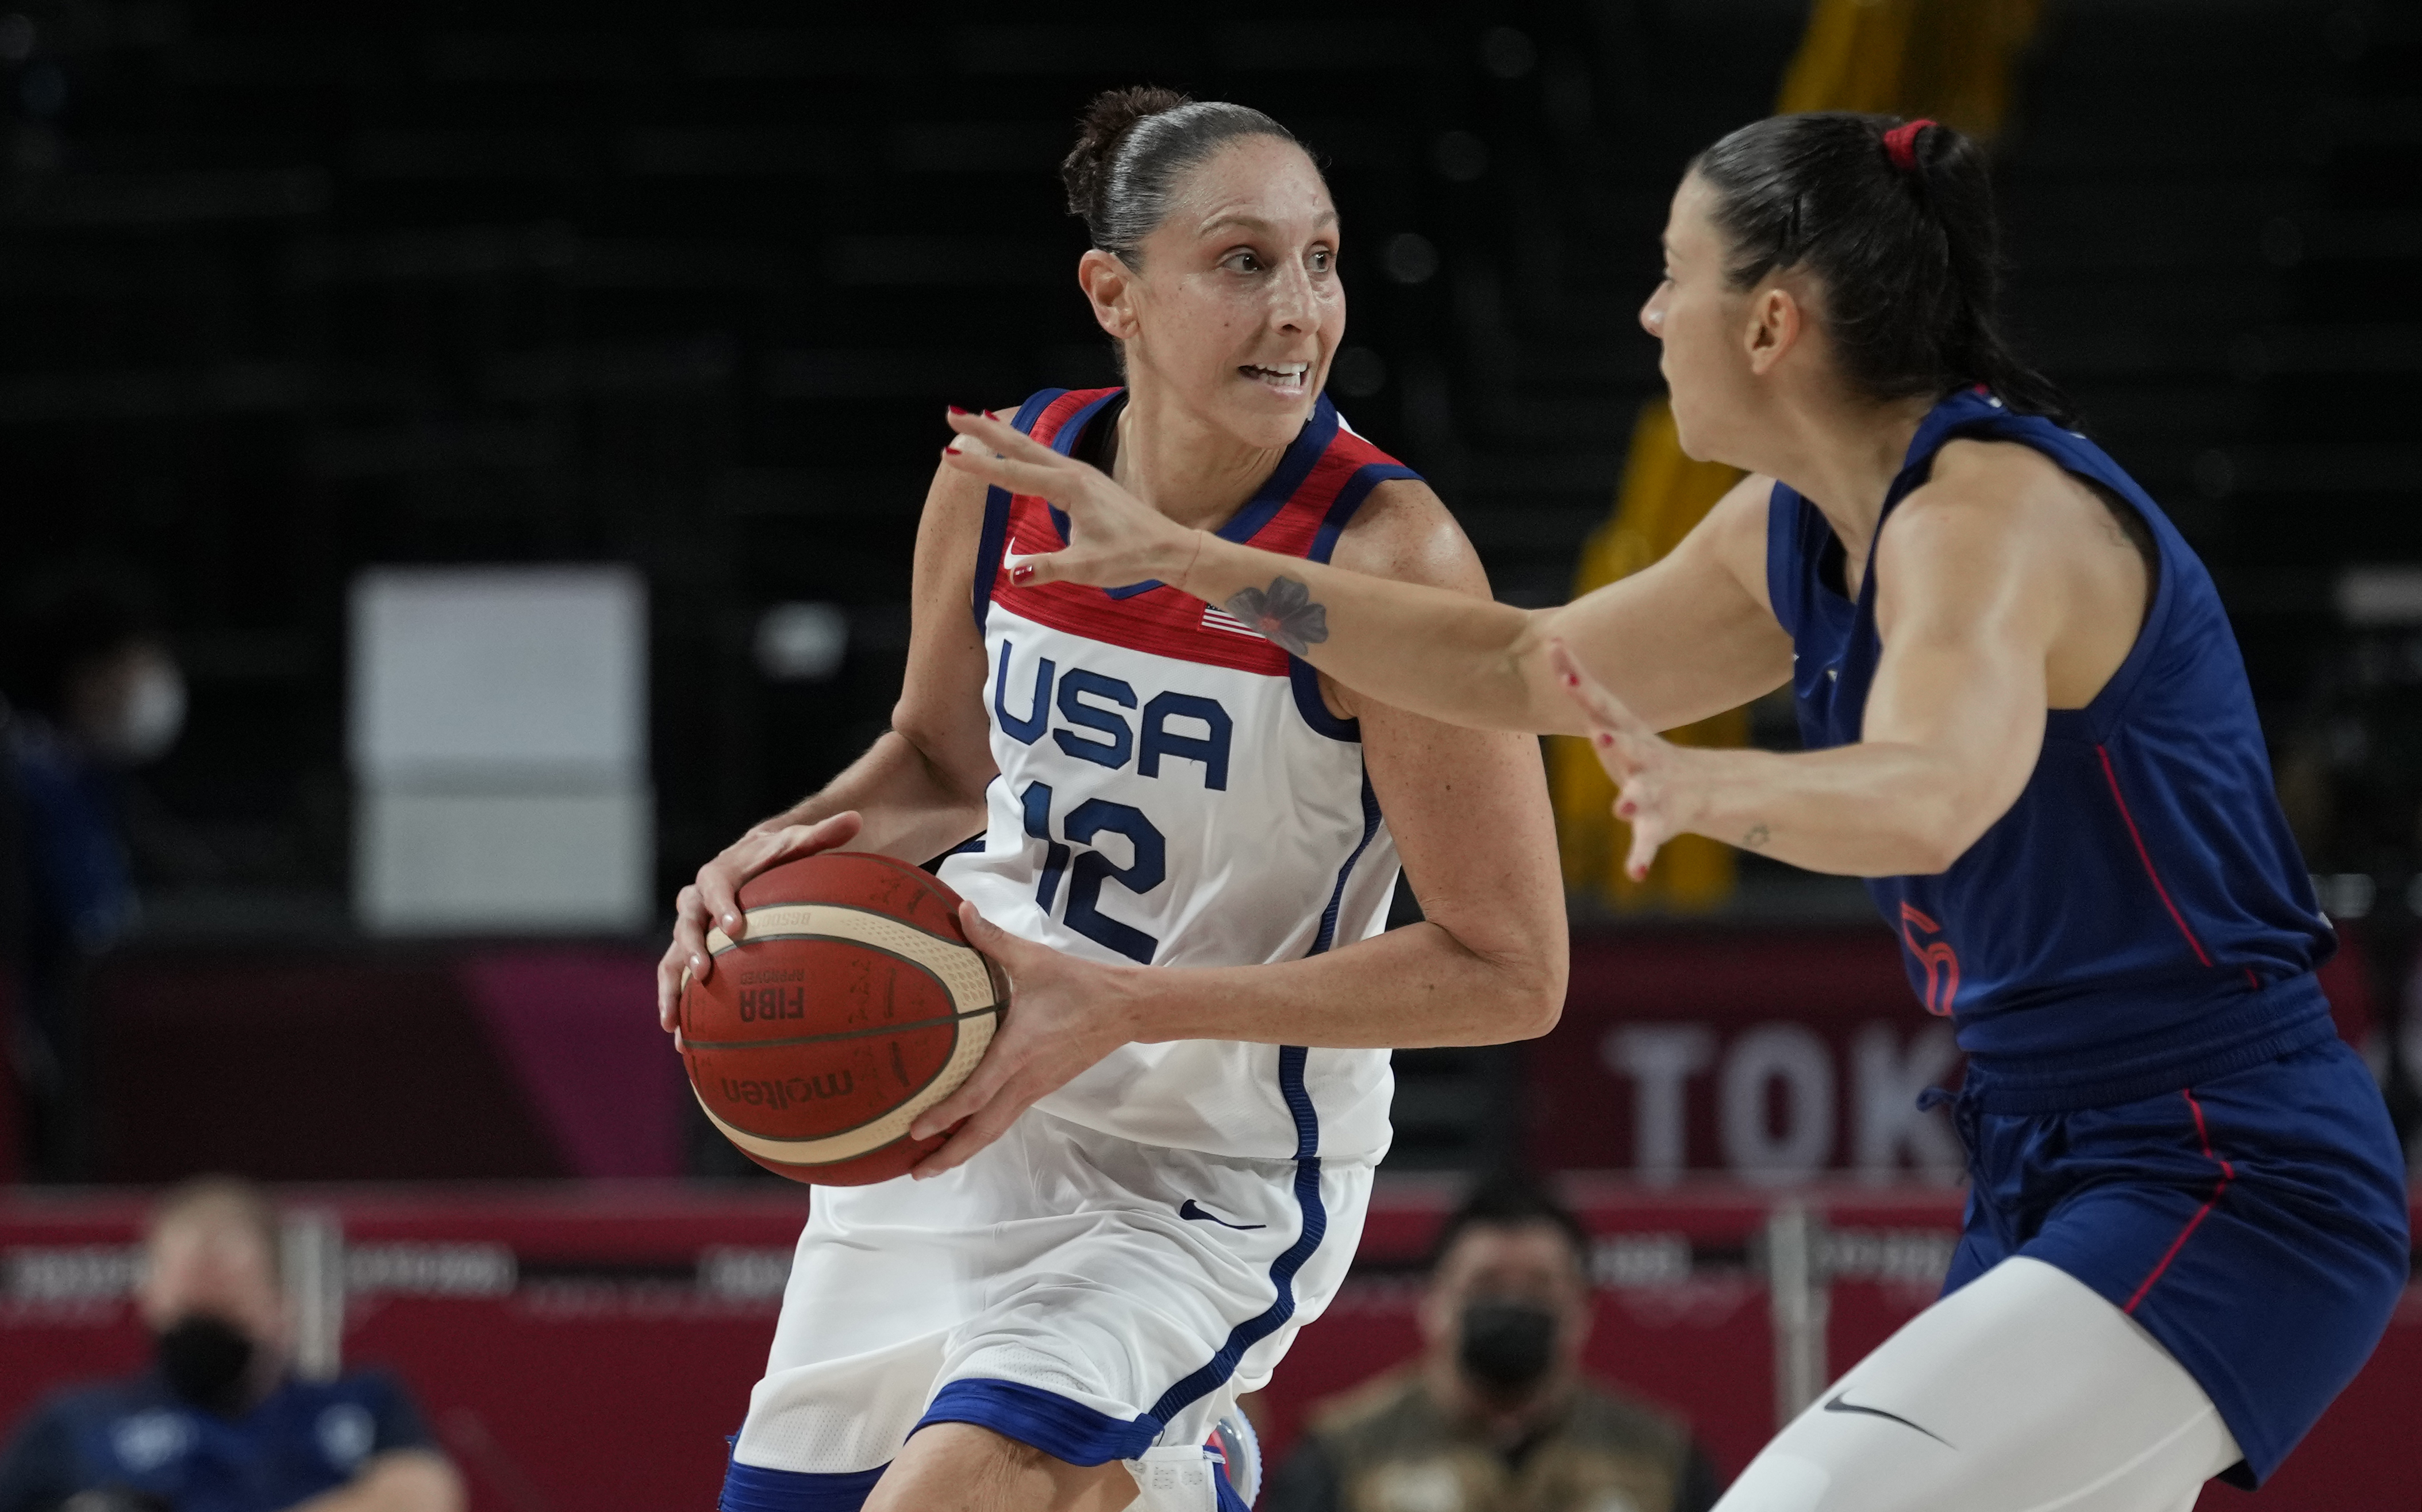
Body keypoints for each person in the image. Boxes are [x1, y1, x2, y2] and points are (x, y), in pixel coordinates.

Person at [941, 111, 2412, 1511]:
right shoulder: (1797, 522)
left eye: (1676, 277)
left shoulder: (1982, 518)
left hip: (2226, 1167)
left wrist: (1714, 783)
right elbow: (1520, 661)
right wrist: (1195, 564)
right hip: (2055, 1155)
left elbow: (1938, 791)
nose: (1649, 316)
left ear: (1771, 324)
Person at [658, 89, 1565, 1512]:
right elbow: (942, 763)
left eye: (1321, 260)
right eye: (1244, 261)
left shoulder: (1388, 555)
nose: (1300, 310)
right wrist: (774, 859)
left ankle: (1182, 1454)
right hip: (964, 1093)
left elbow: (1512, 966)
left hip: (1207, 1157)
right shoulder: (1006, 476)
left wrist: (1128, 1004)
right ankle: (1169, 1474)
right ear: (1114, 291)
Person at [0, 1176, 462, 1512]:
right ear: (150, 1299)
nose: (208, 1325)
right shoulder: (74, 1423)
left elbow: (419, 1497)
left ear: (281, 1307)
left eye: (229, 1300)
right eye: (192, 1301)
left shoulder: (364, 1401)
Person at [1264, 1178, 1720, 1512]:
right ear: (1435, 1302)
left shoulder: (1661, 1456)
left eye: (1540, 1286)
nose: (1513, 1302)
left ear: (1583, 1309)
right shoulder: (1343, 1453)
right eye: (1487, 1283)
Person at [1, 575, 189, 1180]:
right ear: (88, 678)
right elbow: (94, 928)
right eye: (139, 662)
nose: (155, 681)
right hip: (46, 1059)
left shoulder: (94, 778)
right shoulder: (35, 784)